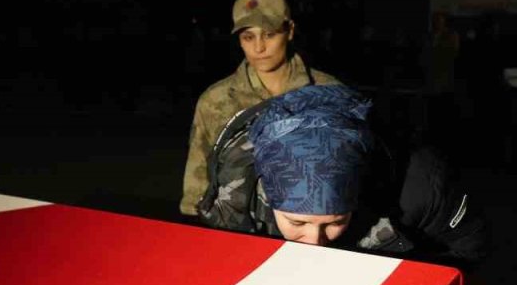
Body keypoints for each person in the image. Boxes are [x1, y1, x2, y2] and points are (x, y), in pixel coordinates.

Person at [198, 84, 487, 266]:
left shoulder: (420, 187)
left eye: (335, 222)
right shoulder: (236, 186)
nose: (314, 241)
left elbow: (466, 253)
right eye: (297, 222)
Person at [179, 0, 342, 217]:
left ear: (290, 31)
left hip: (310, 229)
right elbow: (196, 190)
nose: (259, 47)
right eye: (248, 37)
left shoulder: (328, 93)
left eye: (269, 34)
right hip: (235, 229)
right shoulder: (215, 101)